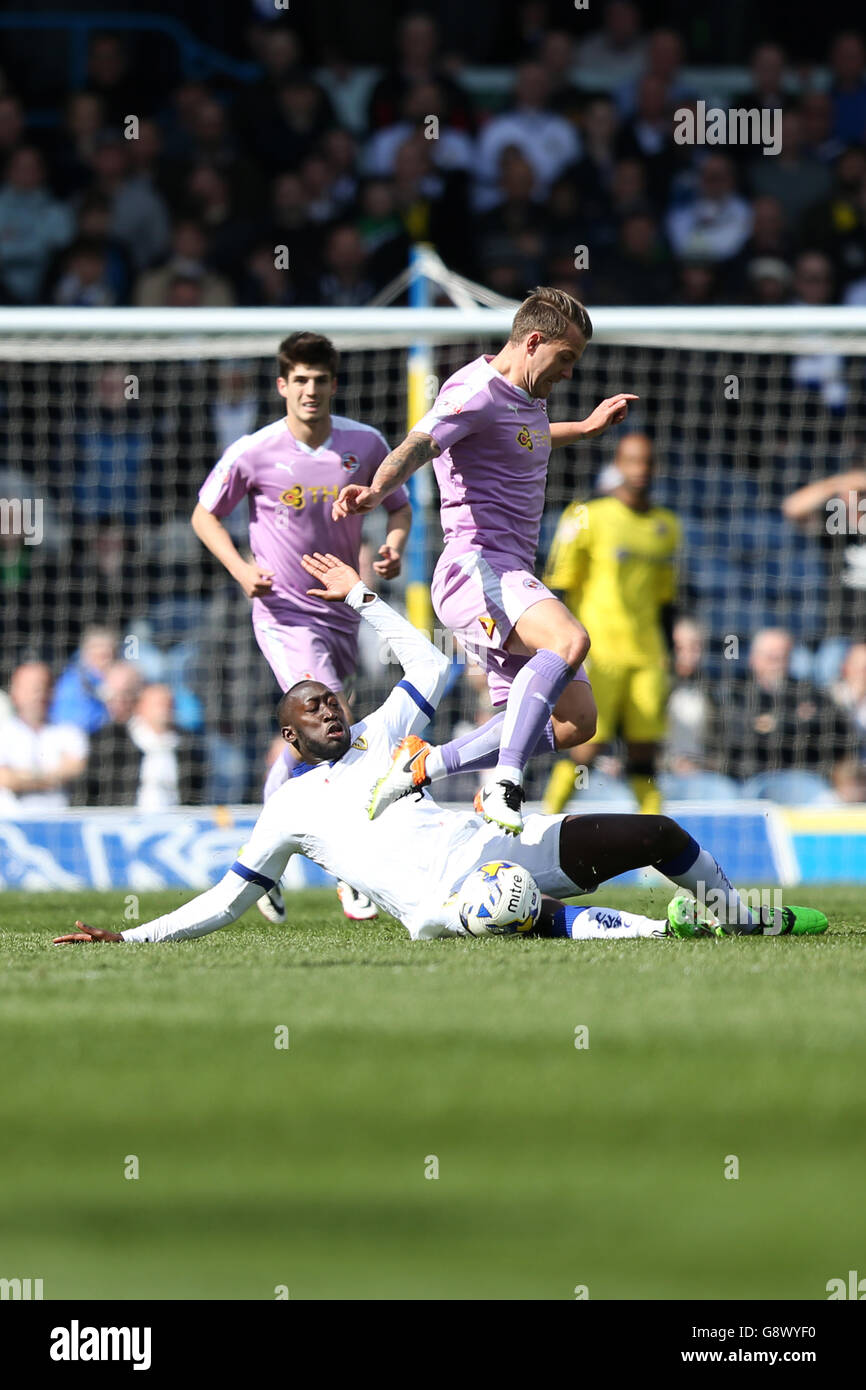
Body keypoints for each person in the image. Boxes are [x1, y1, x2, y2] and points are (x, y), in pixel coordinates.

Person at [54, 555, 828, 947]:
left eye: (332, 698)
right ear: (288, 736)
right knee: (517, 908)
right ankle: (667, 932)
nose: (329, 708)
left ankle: (730, 917)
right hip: (448, 904)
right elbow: (226, 902)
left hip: (495, 847)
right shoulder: (287, 807)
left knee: (653, 835)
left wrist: (364, 597)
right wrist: (128, 935)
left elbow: (433, 665)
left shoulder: (375, 737)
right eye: (311, 708)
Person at [334, 286, 637, 834]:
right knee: (569, 640)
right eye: (566, 359)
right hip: (475, 567)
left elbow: (525, 437)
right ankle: (504, 781)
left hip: (508, 572)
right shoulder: (475, 390)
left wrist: (586, 429)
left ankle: (427, 763)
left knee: (575, 723)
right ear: (534, 341)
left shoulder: (523, 394)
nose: (569, 374)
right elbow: (422, 442)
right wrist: (377, 491)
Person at [191, 330, 412, 924]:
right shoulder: (254, 450)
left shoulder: (364, 444)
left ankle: (259, 862)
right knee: (322, 719)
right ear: (282, 385)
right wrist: (241, 570)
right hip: (285, 613)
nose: (310, 391)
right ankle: (349, 875)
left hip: (346, 609)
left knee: (311, 739)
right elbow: (203, 514)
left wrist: (391, 549)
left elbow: (400, 505)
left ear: (333, 385)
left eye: (321, 380)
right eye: (300, 381)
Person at [541, 434, 680, 815]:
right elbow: (557, 587)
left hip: (648, 657)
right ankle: (544, 822)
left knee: (645, 754)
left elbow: (667, 601)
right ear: (618, 465)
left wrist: (671, 651)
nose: (641, 471)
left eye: (647, 463)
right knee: (585, 747)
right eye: (633, 462)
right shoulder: (586, 516)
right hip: (597, 653)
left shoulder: (666, 526)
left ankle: (658, 843)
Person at [0, 663, 87, 811]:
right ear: (14, 692)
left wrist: (21, 777)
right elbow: (4, 778)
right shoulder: (4, 732)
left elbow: (75, 769)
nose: (38, 694)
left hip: (58, 820)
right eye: (31, 688)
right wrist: (50, 777)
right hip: (10, 824)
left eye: (43, 686)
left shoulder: (69, 731)